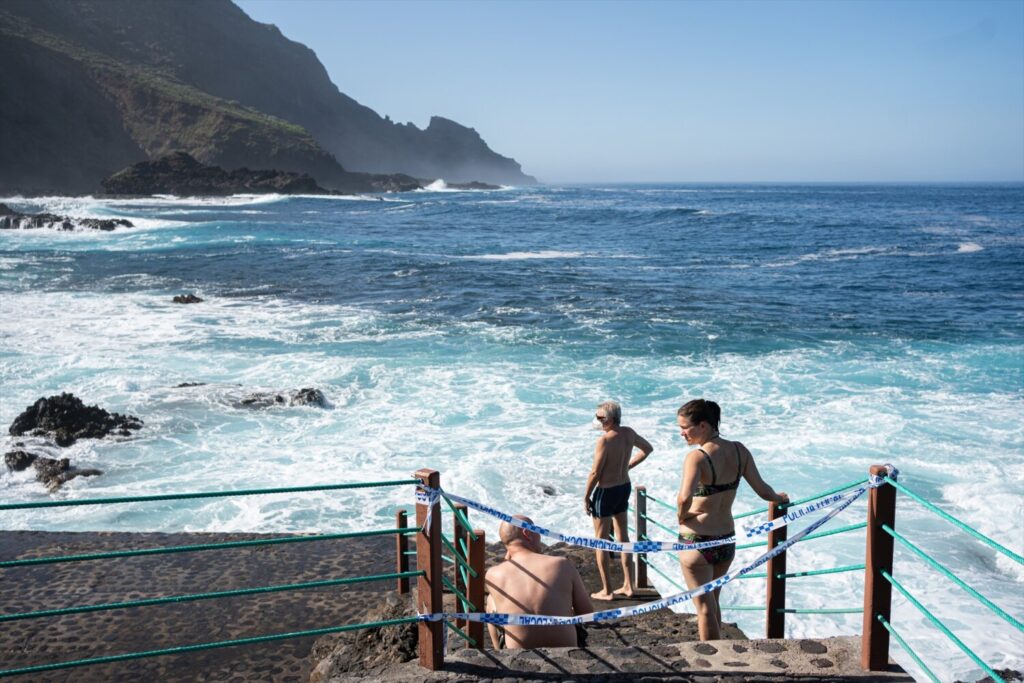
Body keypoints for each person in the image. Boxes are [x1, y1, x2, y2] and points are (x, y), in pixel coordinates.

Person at [675, 399, 789, 640]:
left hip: (697, 541)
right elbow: (763, 491)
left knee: (703, 608)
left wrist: (682, 517)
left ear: (703, 425)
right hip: (725, 540)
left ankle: (714, 664)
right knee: (713, 600)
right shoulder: (739, 450)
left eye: (685, 427)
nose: (682, 433)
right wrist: (780, 499)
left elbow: (684, 497)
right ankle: (722, 656)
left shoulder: (697, 457)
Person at [484, 515, 594, 649]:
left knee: (491, 601)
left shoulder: (493, 574)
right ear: (527, 533)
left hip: (519, 652)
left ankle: (500, 653)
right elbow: (587, 614)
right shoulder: (562, 564)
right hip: (564, 647)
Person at [583, 400, 653, 600]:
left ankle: (607, 590)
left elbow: (596, 472)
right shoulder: (629, 433)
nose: (597, 421)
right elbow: (648, 449)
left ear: (610, 419)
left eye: (600, 418)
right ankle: (628, 585)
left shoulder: (604, 440)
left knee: (601, 542)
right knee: (623, 538)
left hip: (605, 492)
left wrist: (586, 496)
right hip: (623, 487)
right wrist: (627, 466)